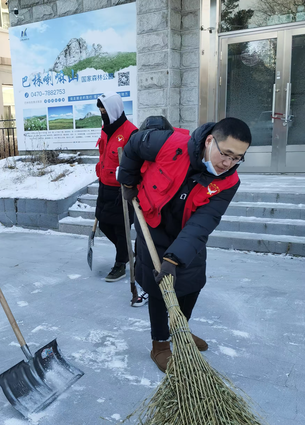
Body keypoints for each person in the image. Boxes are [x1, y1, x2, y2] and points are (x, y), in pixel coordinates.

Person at [119, 116, 251, 372]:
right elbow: (133, 144)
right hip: (152, 223)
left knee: (192, 281)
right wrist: (127, 180)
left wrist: (174, 258)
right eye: (226, 154)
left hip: (187, 231)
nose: (228, 163)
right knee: (159, 287)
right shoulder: (169, 143)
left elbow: (204, 222)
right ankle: (160, 343)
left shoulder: (228, 182)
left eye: (237, 158)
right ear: (210, 141)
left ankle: (179, 330)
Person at [95, 92, 137, 282]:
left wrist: (130, 184)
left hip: (122, 189)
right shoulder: (106, 129)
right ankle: (127, 252)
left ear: (113, 110)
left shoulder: (131, 132)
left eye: (104, 109)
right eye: (100, 110)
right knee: (104, 223)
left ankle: (120, 263)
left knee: (122, 228)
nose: (102, 113)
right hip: (104, 186)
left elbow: (137, 164)